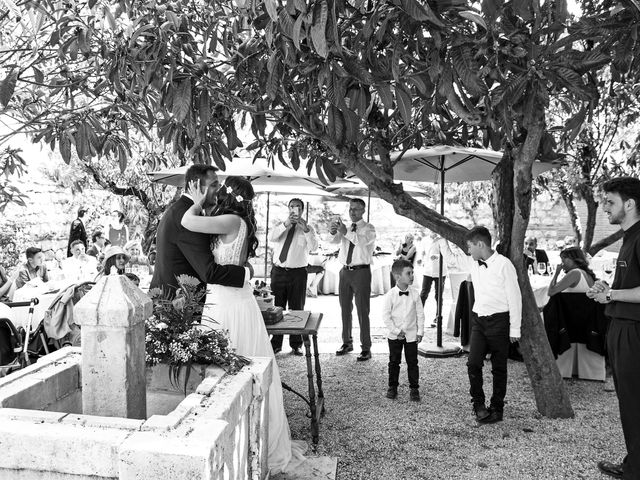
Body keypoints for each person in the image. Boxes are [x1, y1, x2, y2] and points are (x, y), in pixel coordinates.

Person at [181, 176, 306, 474]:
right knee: (233, 365)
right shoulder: (238, 222)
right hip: (230, 298)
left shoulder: (230, 221)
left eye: (219, 188)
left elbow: (187, 221)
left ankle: (239, 440)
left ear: (229, 195)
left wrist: (196, 200)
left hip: (228, 303)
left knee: (230, 369)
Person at [587, 177, 640, 480]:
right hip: (623, 326)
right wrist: (607, 288)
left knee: (634, 403)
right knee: (630, 403)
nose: (604, 207)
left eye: (610, 201)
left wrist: (612, 295)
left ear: (629, 204)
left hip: (634, 332)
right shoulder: (629, 237)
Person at [447, 226, 521, 424]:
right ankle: (478, 405)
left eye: (470, 246)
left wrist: (515, 328)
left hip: (499, 321)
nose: (468, 250)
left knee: (499, 367)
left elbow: (515, 298)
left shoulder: (504, 265)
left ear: (480, 244)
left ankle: (497, 408)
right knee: (473, 363)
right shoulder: (474, 264)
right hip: (479, 321)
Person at [149, 165, 248, 298]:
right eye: (214, 185)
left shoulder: (180, 209)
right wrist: (245, 273)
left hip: (174, 299)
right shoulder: (188, 217)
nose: (219, 191)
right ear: (195, 186)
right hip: (178, 304)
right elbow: (208, 272)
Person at [269, 198, 318, 356]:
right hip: (279, 271)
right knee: (277, 307)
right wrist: (285, 224)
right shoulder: (281, 225)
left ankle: (296, 344)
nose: (294, 209)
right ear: (288, 208)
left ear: (302, 210)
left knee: (297, 308)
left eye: (297, 207)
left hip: (298, 273)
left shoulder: (308, 228)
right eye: (291, 206)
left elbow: (314, 247)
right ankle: (276, 344)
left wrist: (306, 231)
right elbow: (272, 237)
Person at [547, 247, 604, 381]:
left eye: (564, 259)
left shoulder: (575, 273)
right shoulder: (587, 274)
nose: (562, 263)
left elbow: (551, 292)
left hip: (571, 323)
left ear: (573, 259)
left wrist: (556, 273)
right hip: (586, 322)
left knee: (547, 311)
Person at [330, 198, 376, 361]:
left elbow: (361, 242)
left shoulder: (369, 228)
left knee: (363, 310)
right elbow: (333, 241)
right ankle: (347, 342)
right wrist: (334, 231)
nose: (352, 212)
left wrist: (345, 232)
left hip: (361, 272)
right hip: (345, 272)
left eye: (356, 209)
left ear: (363, 210)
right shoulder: (347, 228)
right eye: (350, 209)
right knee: (344, 309)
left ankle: (366, 347)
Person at [382, 259, 425, 402]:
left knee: (413, 362)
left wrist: (420, 332)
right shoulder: (390, 295)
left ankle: (414, 388)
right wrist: (395, 331)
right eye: (409, 273)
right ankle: (392, 387)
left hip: (411, 335)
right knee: (394, 361)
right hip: (395, 336)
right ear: (398, 276)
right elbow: (386, 316)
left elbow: (420, 314)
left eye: (412, 273)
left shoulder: (415, 294)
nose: (412, 276)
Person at [420, 233, 447, 327]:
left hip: (440, 270)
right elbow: (422, 253)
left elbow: (446, 254)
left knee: (438, 295)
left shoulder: (442, 240)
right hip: (427, 270)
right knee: (423, 293)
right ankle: (418, 315)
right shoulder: (425, 240)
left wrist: (436, 257)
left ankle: (438, 316)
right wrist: (420, 259)